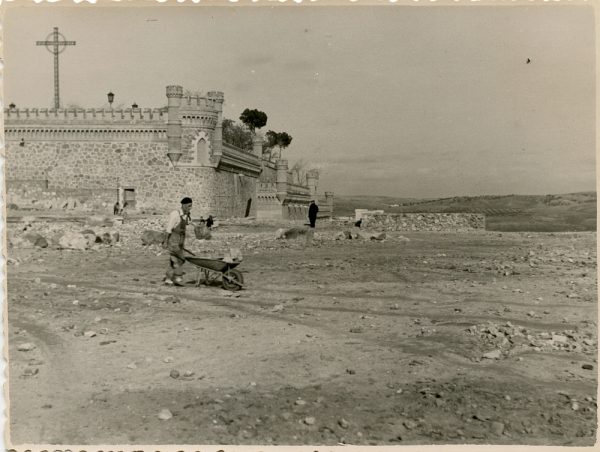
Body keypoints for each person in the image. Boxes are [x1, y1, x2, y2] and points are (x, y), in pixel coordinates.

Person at [165, 197, 193, 286]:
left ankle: (169, 278)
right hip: (173, 239)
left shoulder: (186, 214)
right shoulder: (175, 214)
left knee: (173, 259)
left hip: (181, 240)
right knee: (180, 259)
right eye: (189, 206)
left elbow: (188, 222)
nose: (190, 208)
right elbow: (169, 229)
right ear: (183, 205)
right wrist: (166, 241)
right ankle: (177, 277)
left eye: (191, 206)